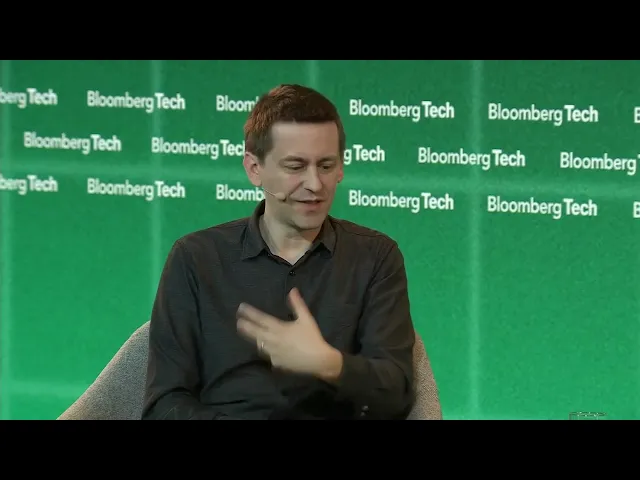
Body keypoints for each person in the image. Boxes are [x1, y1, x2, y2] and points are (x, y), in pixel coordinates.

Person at [141, 84, 416, 420]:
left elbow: (398, 396)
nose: (314, 184)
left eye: (326, 165)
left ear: (341, 168)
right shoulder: (195, 259)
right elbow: (164, 404)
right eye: (295, 166)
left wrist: (329, 364)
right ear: (254, 168)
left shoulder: (376, 257)